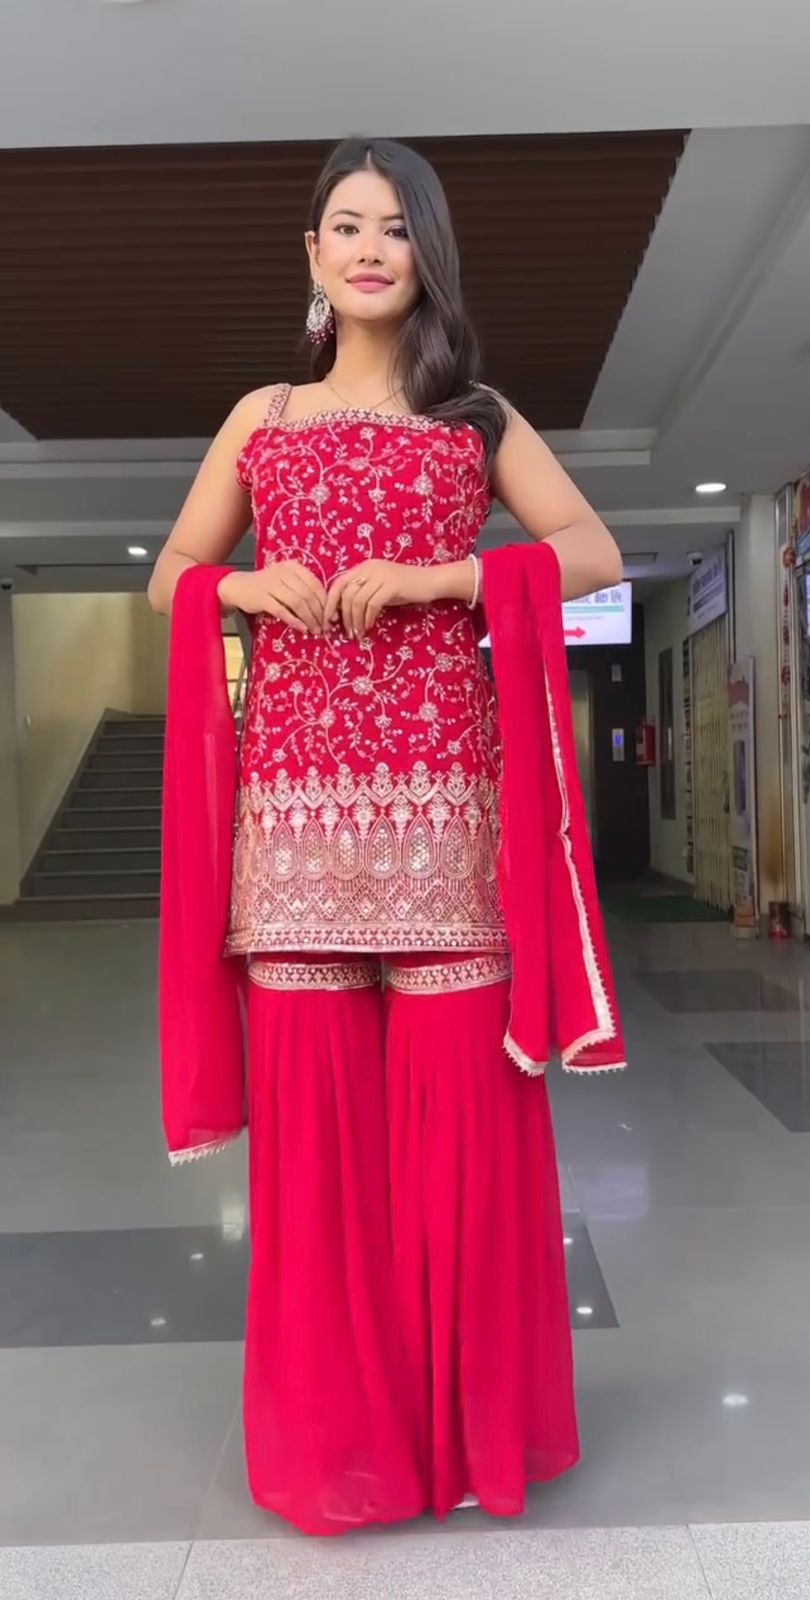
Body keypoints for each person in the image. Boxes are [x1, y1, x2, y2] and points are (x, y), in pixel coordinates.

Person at [148, 136, 625, 1537]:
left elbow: (590, 549)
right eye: (347, 225)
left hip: (445, 831)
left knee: (464, 1153)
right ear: (312, 255)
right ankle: (342, 1452)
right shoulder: (261, 418)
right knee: (317, 1171)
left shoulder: (474, 415)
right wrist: (242, 591)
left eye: (397, 227)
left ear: (428, 253)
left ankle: (466, 1442)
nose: (370, 248)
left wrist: (445, 576)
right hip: (295, 837)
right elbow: (175, 571)